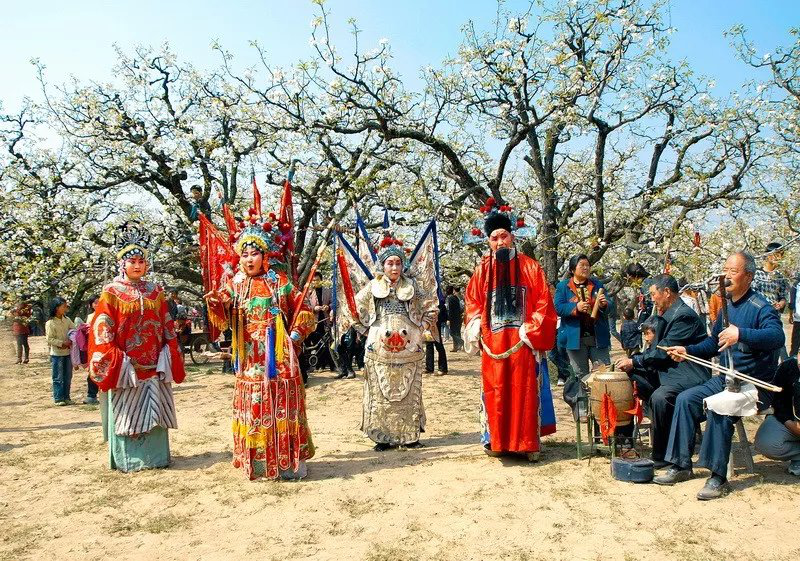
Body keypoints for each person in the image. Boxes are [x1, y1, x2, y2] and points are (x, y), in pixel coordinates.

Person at [656, 252, 785, 499]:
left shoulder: (761, 307)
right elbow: (712, 345)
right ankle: (681, 465)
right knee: (685, 399)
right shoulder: (725, 307)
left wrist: (742, 334)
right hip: (726, 379)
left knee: (719, 406)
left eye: (733, 271)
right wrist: (687, 351)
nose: (725, 277)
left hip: (754, 385)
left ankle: (718, 478)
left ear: (748, 276)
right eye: (725, 270)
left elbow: (777, 337)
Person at [205, 215, 316, 479]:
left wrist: (295, 336)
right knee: (254, 408)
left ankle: (287, 464)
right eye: (244, 255)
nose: (249, 259)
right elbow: (222, 308)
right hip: (249, 359)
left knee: (282, 407)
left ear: (265, 255)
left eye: (254, 253)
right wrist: (214, 303)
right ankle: (258, 465)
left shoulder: (280, 282)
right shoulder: (236, 284)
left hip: (279, 358)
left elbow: (305, 311)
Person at [464, 199, 557, 460]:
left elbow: (543, 302)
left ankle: (527, 444)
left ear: (512, 237)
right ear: (488, 242)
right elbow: (472, 302)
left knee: (524, 393)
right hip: (494, 344)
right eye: (494, 238)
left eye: (504, 236)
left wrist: (531, 330)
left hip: (522, 343)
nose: (500, 242)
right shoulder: (482, 270)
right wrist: (473, 325)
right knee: (496, 392)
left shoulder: (530, 267)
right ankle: (498, 442)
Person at [88, 223, 186, 472]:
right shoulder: (111, 292)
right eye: (131, 261)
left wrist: (171, 349)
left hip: (154, 363)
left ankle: (157, 457)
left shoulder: (156, 291)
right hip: (127, 365)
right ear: (122, 264)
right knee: (127, 413)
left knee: (156, 410)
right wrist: (113, 356)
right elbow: (103, 325)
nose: (137, 265)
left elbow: (166, 322)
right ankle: (130, 460)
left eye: (141, 261)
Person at [352, 232, 438, 451]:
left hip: (410, 346)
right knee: (380, 391)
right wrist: (364, 330)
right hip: (378, 347)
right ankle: (382, 437)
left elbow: (431, 307)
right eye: (390, 263)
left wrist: (423, 328)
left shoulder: (413, 287)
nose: (394, 268)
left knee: (410, 391)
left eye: (398, 263)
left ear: (403, 265)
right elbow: (352, 308)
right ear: (383, 265)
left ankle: (410, 436)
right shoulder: (373, 287)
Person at [614, 274, 711, 467]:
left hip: (688, 375)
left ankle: (663, 455)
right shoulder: (664, 315)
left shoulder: (683, 316)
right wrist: (633, 363)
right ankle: (626, 440)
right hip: (666, 372)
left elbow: (662, 353)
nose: (651, 299)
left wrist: (634, 361)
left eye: (653, 294)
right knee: (627, 378)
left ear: (666, 292)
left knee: (660, 397)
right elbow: (653, 351)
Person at [554, 254, 611, 379]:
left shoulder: (597, 284)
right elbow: (558, 307)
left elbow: (609, 304)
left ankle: (602, 399)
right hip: (575, 338)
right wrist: (575, 307)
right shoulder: (563, 286)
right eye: (582, 265)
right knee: (580, 375)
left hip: (597, 336)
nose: (586, 268)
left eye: (587, 265)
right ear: (573, 269)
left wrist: (603, 304)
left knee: (604, 372)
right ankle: (583, 399)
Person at [754, 358, 800, 476]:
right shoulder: (789, 367)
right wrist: (789, 422)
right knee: (767, 443)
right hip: (791, 421)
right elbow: (778, 401)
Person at [752, 241, 790, 361]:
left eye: (780, 255)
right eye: (776, 254)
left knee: (779, 344)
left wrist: (781, 303)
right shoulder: (756, 274)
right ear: (768, 255)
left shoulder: (780, 276)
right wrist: (766, 306)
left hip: (775, 316)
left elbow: (783, 296)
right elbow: (752, 296)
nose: (778, 258)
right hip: (759, 316)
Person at [46, 297, 75, 405]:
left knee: (67, 376)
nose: (65, 308)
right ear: (57, 308)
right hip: (57, 354)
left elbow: (74, 330)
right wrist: (62, 343)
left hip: (67, 353)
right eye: (63, 306)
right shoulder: (50, 323)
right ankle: (58, 398)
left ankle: (67, 397)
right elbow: (49, 339)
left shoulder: (67, 320)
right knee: (58, 377)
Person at [81, 296, 100, 404]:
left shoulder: (107, 313)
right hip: (94, 347)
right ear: (91, 305)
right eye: (95, 303)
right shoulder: (90, 317)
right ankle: (91, 395)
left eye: (99, 302)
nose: (97, 304)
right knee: (93, 371)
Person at [425, 299, 449, 375]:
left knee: (439, 346)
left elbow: (444, 316)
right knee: (429, 346)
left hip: (436, 328)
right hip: (427, 329)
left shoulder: (440, 303)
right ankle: (429, 368)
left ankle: (443, 368)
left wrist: (436, 319)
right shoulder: (426, 303)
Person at [11, 298, 32, 364]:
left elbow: (26, 315)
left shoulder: (25, 310)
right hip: (18, 328)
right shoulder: (17, 310)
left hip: (22, 328)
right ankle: (20, 358)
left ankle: (25, 358)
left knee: (24, 343)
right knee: (20, 344)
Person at [446, 286, 464, 352]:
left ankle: (460, 342)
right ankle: (456, 347)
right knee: (457, 332)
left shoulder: (450, 298)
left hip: (453, 318)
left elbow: (450, 310)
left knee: (452, 333)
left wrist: (449, 319)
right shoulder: (456, 297)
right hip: (458, 317)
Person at [789, 273, 800, 358]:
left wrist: (790, 314)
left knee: (796, 340)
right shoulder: (796, 285)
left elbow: (792, 301)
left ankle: (793, 359)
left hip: (798, 316)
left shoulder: (796, 285)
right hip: (798, 316)